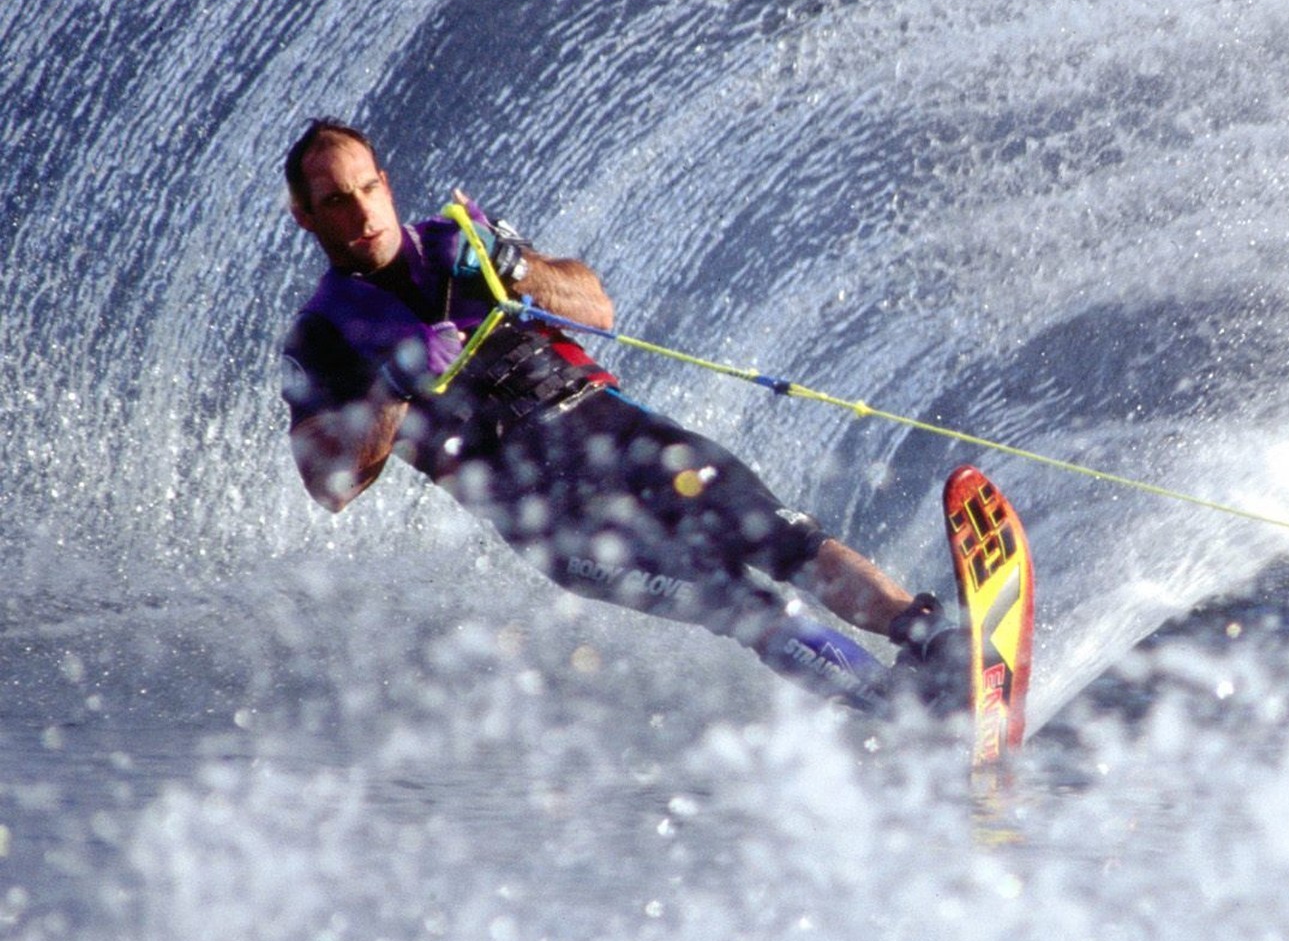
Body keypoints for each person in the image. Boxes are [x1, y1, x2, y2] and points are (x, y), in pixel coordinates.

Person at [277, 118, 965, 715]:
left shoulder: (458, 242)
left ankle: (926, 638)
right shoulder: (322, 338)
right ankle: (891, 708)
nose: (362, 213)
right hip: (548, 515)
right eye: (335, 201)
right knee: (737, 600)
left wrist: (511, 265)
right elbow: (327, 484)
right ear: (305, 216)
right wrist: (395, 389)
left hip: (620, 435)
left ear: (386, 182)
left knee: (783, 537)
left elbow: (595, 309)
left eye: (368, 189)